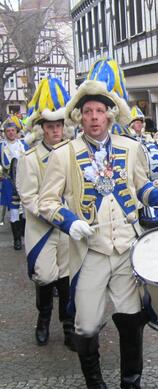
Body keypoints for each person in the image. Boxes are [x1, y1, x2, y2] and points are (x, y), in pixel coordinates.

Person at [38, 57, 158, 389]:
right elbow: (46, 202)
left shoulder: (130, 148)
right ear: (79, 117)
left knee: (131, 323)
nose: (94, 117)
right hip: (89, 253)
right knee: (85, 327)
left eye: (100, 111)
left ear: (109, 114)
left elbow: (141, 186)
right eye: (88, 111)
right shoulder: (64, 155)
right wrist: (70, 222)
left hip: (126, 250)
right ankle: (92, 373)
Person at [16, 77, 74, 348]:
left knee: (66, 276)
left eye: (58, 125)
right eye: (50, 126)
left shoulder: (72, 154)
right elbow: (28, 196)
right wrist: (53, 215)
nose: (55, 130)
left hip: (68, 229)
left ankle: (68, 325)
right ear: (42, 129)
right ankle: (43, 319)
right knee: (45, 275)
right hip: (43, 228)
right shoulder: (30, 159)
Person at [1, 115, 28, 249]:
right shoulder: (1, 146)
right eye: (8, 131)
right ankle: (17, 240)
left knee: (26, 208)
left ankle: (25, 234)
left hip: (25, 181)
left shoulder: (24, 145)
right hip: (9, 182)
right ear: (5, 133)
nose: (11, 133)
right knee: (13, 210)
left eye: (13, 130)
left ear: (17, 131)